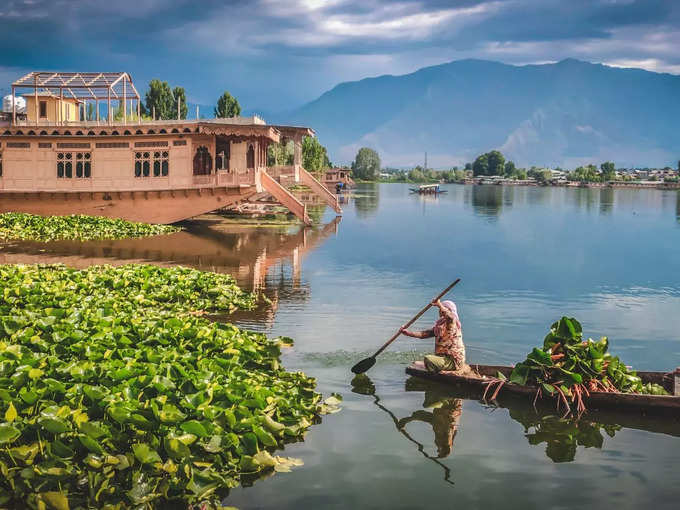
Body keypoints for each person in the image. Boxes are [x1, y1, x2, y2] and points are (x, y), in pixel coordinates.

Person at [400, 299, 465, 373]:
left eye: (442, 308)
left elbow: (450, 317)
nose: (439, 311)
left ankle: (436, 372)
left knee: (428, 358)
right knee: (419, 362)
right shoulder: (440, 326)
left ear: (449, 310)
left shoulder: (452, 323)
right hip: (443, 359)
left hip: (453, 361)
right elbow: (423, 334)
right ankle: (435, 366)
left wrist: (439, 305)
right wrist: (408, 333)